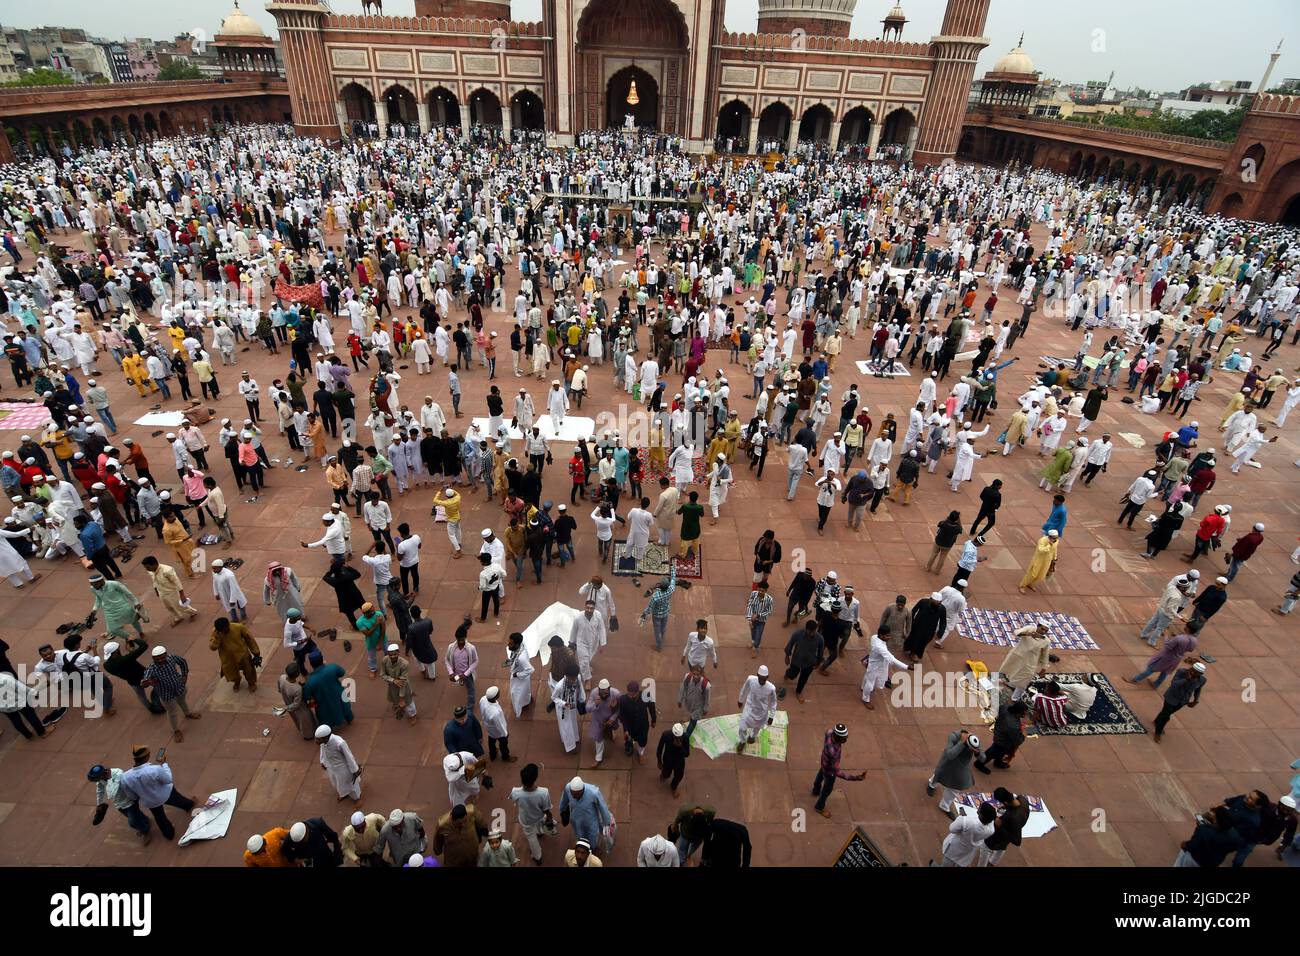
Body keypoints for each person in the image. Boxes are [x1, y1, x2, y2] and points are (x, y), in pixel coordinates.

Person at [118, 744, 196, 842]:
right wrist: (164, 764)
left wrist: (141, 796)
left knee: (159, 817)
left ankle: (169, 834)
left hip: (149, 801)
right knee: (179, 800)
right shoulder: (155, 769)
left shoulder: (125, 777)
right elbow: (168, 779)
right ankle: (189, 805)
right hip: (165, 794)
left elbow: (131, 795)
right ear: (147, 756)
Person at [141, 646, 200, 743]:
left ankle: (187, 713)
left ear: (166, 654)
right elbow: (145, 679)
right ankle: (176, 730)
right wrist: (145, 683)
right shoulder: (151, 669)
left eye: (162, 657)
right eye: (157, 658)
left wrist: (184, 675)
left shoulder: (171, 658)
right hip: (166, 694)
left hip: (179, 687)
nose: (160, 660)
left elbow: (182, 661)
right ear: (153, 658)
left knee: (182, 701)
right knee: (172, 712)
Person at [810, 723, 866, 818]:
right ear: (837, 737)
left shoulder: (829, 732)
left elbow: (827, 732)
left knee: (820, 775)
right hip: (830, 771)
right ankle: (819, 807)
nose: (846, 739)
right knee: (827, 789)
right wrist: (856, 778)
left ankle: (815, 791)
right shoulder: (833, 752)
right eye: (844, 738)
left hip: (824, 762)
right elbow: (837, 772)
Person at [926, 728, 984, 817]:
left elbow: (983, 758)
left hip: (961, 769)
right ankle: (931, 784)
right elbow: (950, 755)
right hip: (947, 764)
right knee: (939, 775)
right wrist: (961, 743)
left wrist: (977, 753)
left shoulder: (974, 740)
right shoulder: (953, 736)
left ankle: (944, 806)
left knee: (954, 789)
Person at [508, 763, 555, 865]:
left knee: (531, 838)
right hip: (539, 816)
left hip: (526, 819)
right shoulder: (544, 792)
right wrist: (549, 818)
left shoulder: (515, 792)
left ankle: (537, 857)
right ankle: (540, 832)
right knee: (539, 825)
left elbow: (513, 799)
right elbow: (547, 809)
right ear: (535, 778)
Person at [1174, 805, 1245, 867]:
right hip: (1212, 863)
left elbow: (1192, 845)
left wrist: (1185, 845)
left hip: (1195, 860)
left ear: (1216, 820)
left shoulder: (1204, 829)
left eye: (1215, 814)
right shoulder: (1235, 835)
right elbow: (1236, 846)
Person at [930, 801, 996, 868]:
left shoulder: (965, 821)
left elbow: (952, 829)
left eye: (980, 808)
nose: (978, 808)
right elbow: (991, 821)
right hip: (969, 851)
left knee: (947, 862)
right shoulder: (991, 830)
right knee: (961, 863)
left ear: (981, 815)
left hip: (955, 847)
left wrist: (961, 817)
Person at [1153, 661, 1207, 742]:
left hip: (1182, 701)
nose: (1193, 673)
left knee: (1166, 713)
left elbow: (1198, 690)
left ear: (1200, 674)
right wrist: (1186, 679)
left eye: (1196, 673)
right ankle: (1158, 733)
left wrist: (1196, 700)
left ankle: (1157, 721)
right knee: (1166, 716)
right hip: (1171, 698)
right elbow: (1174, 684)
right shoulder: (1181, 672)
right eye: (1192, 670)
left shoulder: (1202, 680)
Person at [999, 623, 1051, 701]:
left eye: (1046, 631)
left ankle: (1015, 698)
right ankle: (1011, 684)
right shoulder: (1029, 628)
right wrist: (1029, 634)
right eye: (1042, 629)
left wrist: (1044, 668)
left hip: (1031, 661)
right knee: (1010, 671)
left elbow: (1045, 655)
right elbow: (1016, 632)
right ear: (1038, 626)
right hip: (1017, 655)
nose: (1043, 632)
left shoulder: (1046, 641)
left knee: (1024, 680)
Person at [141, 556, 199, 627]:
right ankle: (178, 617)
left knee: (180, 606)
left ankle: (192, 612)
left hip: (172, 592)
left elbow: (177, 582)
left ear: (154, 564)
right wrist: (156, 590)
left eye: (147, 567)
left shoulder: (167, 570)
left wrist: (182, 595)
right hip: (162, 592)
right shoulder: (151, 571)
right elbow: (154, 581)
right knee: (169, 607)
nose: (146, 569)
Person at [559, 776, 611, 852]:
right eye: (572, 794)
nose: (573, 796)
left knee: (592, 837)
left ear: (582, 790)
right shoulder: (568, 788)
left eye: (576, 795)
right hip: (576, 819)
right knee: (579, 835)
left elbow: (603, 807)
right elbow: (564, 801)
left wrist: (607, 823)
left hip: (590, 820)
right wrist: (562, 811)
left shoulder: (594, 792)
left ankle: (592, 849)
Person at [974, 700, 1028, 773]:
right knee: (993, 751)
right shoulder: (1013, 726)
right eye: (1024, 713)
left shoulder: (1006, 707)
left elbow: (998, 710)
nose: (1025, 715)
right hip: (1003, 740)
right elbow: (1017, 740)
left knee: (1001, 752)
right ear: (1018, 713)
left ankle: (998, 762)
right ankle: (979, 763)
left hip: (999, 730)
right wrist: (1023, 735)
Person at [979, 788, 1029, 866]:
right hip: (1011, 828)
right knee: (1002, 846)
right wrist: (1006, 806)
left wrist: (1000, 826)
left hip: (1004, 832)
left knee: (985, 847)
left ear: (1005, 801)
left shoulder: (1014, 817)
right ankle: (992, 863)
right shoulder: (1022, 799)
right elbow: (1013, 804)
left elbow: (1017, 841)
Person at [208, 617, 259, 693]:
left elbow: (249, 639)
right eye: (222, 631)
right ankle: (236, 681)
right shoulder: (216, 633)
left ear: (228, 625)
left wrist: (256, 652)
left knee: (249, 670)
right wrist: (216, 638)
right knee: (231, 672)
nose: (224, 632)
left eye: (225, 629)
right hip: (228, 657)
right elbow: (212, 647)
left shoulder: (238, 627)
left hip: (242, 654)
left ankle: (251, 683)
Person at [736, 665, 779, 750]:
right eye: (760, 678)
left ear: (767, 677)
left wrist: (771, 716)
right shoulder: (751, 680)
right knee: (742, 727)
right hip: (749, 708)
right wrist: (741, 700)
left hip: (762, 711)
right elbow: (744, 689)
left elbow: (773, 702)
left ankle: (752, 736)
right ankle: (742, 741)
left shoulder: (771, 688)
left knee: (757, 727)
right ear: (757, 675)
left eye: (764, 678)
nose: (762, 681)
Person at [316, 723, 362, 802]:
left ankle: (357, 798)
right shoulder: (323, 742)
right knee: (337, 783)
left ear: (325, 737)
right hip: (331, 767)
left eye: (318, 739)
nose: (316, 741)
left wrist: (355, 770)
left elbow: (349, 756)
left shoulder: (339, 743)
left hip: (342, 769)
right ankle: (343, 794)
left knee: (350, 784)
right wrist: (322, 761)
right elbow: (322, 750)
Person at [381, 643, 417, 723]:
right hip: (392, 686)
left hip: (404, 687)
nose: (392, 656)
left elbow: (403, 681)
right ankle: (398, 704)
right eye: (390, 655)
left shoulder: (405, 664)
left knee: (409, 703)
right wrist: (393, 680)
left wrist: (401, 699)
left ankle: (413, 716)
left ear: (398, 653)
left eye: (395, 654)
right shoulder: (385, 660)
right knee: (395, 699)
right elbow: (382, 675)